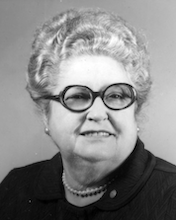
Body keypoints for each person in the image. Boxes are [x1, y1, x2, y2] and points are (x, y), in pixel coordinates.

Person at [0, 8, 176, 219]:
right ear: (46, 114)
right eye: (78, 96)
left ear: (134, 110)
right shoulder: (15, 187)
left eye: (116, 96)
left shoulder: (171, 196)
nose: (98, 113)